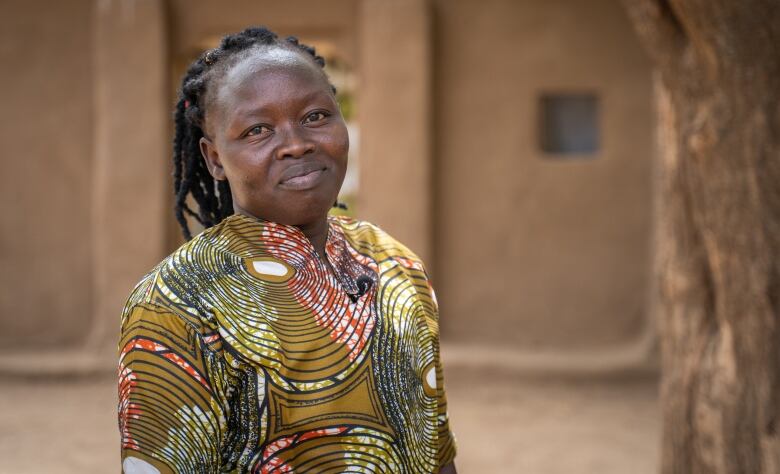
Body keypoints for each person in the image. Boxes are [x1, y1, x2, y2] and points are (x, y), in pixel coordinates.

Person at [118, 26, 457, 474]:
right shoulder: (177, 303)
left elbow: (434, 447)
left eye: (315, 116)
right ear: (215, 158)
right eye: (258, 130)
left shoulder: (395, 265)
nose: (297, 144)